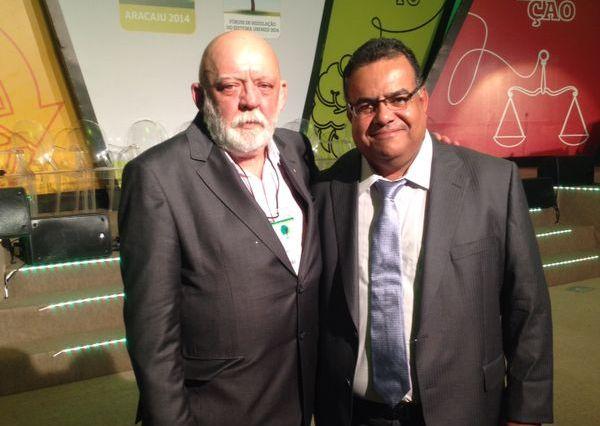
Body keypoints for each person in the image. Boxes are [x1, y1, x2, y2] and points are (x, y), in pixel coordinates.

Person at [313, 38, 553, 426]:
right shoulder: (325, 192)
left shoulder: (494, 184)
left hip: (464, 410)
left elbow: (528, 308)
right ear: (350, 114)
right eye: (366, 105)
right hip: (353, 413)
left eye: (398, 98)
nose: (384, 115)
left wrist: (527, 413)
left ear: (423, 100)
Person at [119, 30, 321, 425]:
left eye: (264, 86)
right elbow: (152, 337)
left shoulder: (298, 152)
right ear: (200, 96)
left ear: (281, 94)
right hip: (219, 410)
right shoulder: (157, 177)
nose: (250, 100)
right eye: (230, 86)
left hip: (297, 400)